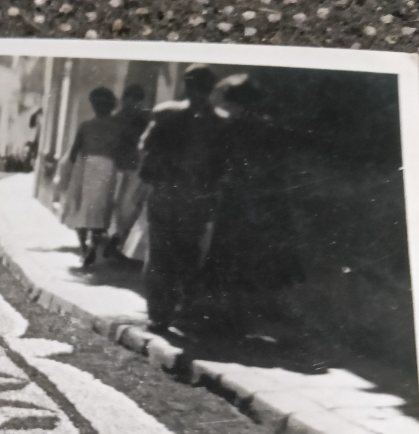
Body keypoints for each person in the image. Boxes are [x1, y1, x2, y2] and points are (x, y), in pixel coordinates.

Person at [204, 73, 304, 337]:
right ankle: (254, 316)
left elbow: (217, 165)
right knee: (262, 259)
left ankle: (234, 318)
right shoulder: (270, 127)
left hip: (240, 201)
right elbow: (282, 168)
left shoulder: (229, 127)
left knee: (232, 257)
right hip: (269, 201)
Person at [136, 64, 228, 332]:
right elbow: (223, 164)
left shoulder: (165, 113)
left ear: (185, 85)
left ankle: (159, 314)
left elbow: (145, 147)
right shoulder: (220, 121)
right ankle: (185, 309)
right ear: (211, 89)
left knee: (160, 253)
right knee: (190, 253)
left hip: (166, 193)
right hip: (198, 197)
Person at [58, 87, 125, 266]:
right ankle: (94, 246)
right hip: (108, 169)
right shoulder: (118, 127)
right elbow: (122, 153)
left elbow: (73, 152)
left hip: (87, 168)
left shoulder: (86, 126)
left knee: (82, 209)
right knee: (100, 210)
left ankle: (84, 248)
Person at [105, 84, 150, 261]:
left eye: (136, 101)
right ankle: (117, 242)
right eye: (130, 101)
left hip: (134, 167)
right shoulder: (119, 118)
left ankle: (120, 243)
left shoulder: (144, 117)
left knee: (128, 207)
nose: (133, 105)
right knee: (121, 206)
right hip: (121, 166)